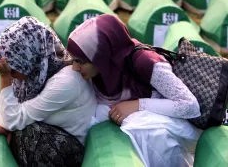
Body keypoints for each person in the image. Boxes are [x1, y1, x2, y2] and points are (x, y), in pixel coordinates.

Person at [66, 14, 201, 167]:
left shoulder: (145, 62)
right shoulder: (101, 71)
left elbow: (190, 106)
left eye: (80, 61)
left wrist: (137, 105)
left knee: (141, 129)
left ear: (101, 54)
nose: (74, 67)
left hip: (178, 124)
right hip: (152, 121)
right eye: (73, 60)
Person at [0, 16, 97, 167]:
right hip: (51, 134)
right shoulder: (31, 76)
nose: (9, 71)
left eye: (13, 67)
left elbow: (10, 120)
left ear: (30, 57)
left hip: (70, 149)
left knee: (28, 132)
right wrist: (7, 123)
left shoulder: (66, 81)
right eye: (5, 68)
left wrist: (4, 76)